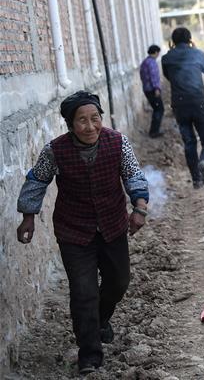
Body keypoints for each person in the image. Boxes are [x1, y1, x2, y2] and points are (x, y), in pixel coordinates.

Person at [16, 91, 149, 375]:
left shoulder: (118, 142)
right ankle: (89, 355)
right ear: (70, 125)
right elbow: (37, 180)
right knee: (83, 291)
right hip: (74, 230)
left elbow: (133, 174)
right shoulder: (55, 150)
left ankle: (99, 320)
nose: (90, 127)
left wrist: (139, 207)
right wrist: (28, 216)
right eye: (82, 121)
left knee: (119, 281)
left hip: (112, 225)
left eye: (95, 118)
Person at [161, 27, 204, 189]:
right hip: (198, 102)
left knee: (189, 142)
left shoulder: (166, 58)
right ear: (190, 39)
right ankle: (203, 161)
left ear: (172, 41)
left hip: (179, 105)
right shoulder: (197, 54)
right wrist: (196, 50)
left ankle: (196, 180)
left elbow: (169, 77)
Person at [139, 45, 165, 137]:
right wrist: (156, 88)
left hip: (147, 89)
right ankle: (154, 132)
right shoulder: (151, 63)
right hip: (153, 90)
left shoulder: (145, 62)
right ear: (156, 52)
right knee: (159, 109)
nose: (158, 55)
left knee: (157, 109)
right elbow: (153, 77)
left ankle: (154, 131)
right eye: (158, 53)